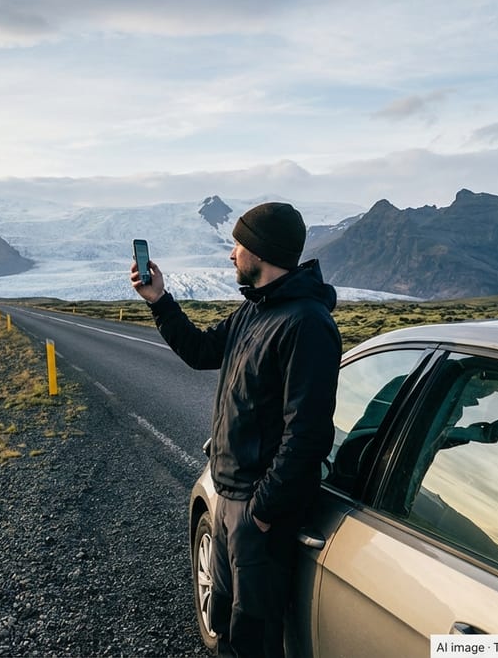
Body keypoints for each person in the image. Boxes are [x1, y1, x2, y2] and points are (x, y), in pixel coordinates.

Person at [130, 201, 341, 658]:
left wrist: (263, 511)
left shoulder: (306, 323)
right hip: (226, 497)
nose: (231, 256)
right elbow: (201, 350)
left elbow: (306, 434)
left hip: (255, 516)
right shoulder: (255, 311)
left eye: (238, 246)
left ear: (260, 253)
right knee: (227, 629)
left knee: (256, 639)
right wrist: (160, 301)